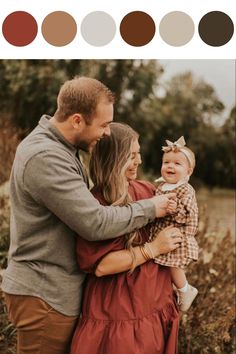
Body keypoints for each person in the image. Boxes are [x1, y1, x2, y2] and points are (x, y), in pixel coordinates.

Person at [1, 76, 179, 354]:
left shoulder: (62, 149)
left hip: (53, 291)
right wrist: (152, 208)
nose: (107, 133)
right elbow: (94, 223)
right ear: (76, 120)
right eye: (104, 125)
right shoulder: (46, 157)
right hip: (46, 293)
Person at [71, 122, 183, 354]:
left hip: (154, 300)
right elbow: (102, 266)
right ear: (114, 159)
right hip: (119, 308)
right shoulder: (96, 203)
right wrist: (152, 249)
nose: (139, 161)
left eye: (139, 153)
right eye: (132, 155)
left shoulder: (148, 190)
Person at [151, 136, 199, 312]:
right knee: (162, 268)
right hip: (162, 235)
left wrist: (175, 209)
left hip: (177, 234)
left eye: (177, 164)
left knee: (173, 266)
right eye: (166, 162)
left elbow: (190, 214)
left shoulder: (185, 189)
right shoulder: (162, 186)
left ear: (189, 171)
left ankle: (185, 290)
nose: (170, 166)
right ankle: (174, 291)